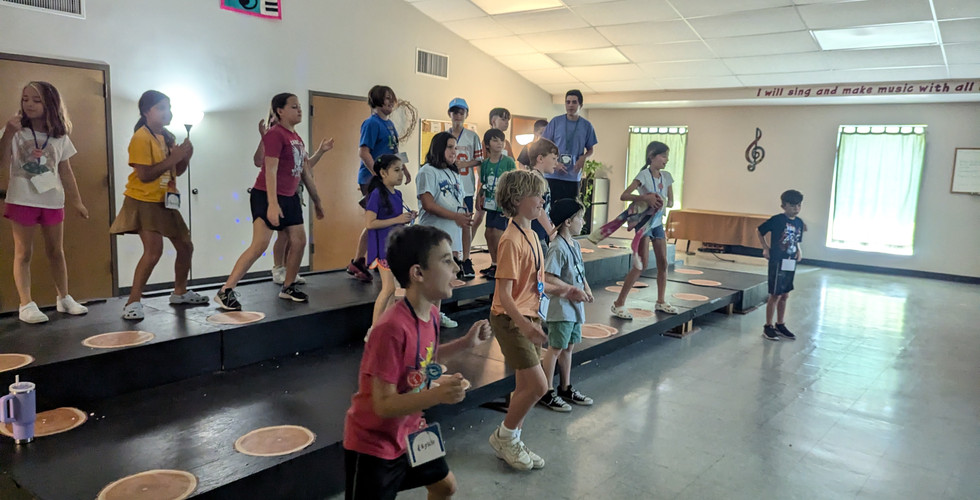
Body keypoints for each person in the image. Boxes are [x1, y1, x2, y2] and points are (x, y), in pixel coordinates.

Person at [342, 225, 492, 500]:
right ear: (418, 273)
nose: (457, 269)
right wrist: (436, 395)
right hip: (375, 445)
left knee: (445, 486)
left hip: (412, 431)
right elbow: (383, 404)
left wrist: (465, 344)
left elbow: (424, 360)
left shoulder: (431, 315)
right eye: (447, 261)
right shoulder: (390, 328)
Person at [487, 169, 588, 471]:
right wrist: (525, 325)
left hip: (529, 316)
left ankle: (513, 437)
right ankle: (504, 436)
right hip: (511, 319)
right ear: (518, 200)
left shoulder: (532, 234)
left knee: (526, 387)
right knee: (540, 386)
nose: (544, 200)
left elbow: (538, 282)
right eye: (538, 195)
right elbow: (504, 295)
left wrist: (567, 289)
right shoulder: (510, 241)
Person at [110, 90, 206, 320]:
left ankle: (180, 292)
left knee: (186, 246)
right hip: (143, 200)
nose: (167, 112)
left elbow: (176, 172)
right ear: (146, 112)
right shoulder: (141, 138)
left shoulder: (168, 137)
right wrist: (173, 159)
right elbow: (144, 175)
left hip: (166, 200)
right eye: (161, 108)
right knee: (153, 252)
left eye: (168, 107)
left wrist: (185, 158)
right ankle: (133, 302)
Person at [0, 81, 89, 323]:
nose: (29, 104)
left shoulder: (59, 136)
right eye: (25, 99)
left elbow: (66, 171)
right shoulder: (15, 131)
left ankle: (64, 297)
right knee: (23, 253)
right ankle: (26, 304)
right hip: (22, 199)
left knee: (56, 251)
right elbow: (2, 160)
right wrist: (8, 132)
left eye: (36, 100)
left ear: (50, 104)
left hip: (52, 200)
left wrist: (77, 202)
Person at [214, 93, 311, 310]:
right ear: (280, 111)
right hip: (266, 194)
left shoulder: (296, 137)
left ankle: (288, 286)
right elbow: (269, 170)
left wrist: (317, 200)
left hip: (290, 196)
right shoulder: (275, 135)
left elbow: (303, 171)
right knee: (259, 245)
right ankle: (225, 290)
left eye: (300, 106)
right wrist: (273, 203)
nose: (299, 110)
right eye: (294, 106)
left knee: (299, 240)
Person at [254, 117, 332, 285]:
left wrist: (320, 151)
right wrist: (263, 137)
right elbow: (259, 161)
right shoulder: (275, 136)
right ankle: (278, 269)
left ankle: (289, 272)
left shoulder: (295, 140)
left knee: (294, 238)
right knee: (281, 235)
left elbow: (305, 166)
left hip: (294, 193)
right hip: (277, 193)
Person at [611, 141, 678, 319]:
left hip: (657, 222)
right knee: (642, 263)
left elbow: (670, 201)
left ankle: (661, 300)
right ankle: (619, 303)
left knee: (663, 262)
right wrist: (645, 198)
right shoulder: (643, 175)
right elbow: (624, 195)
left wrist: (663, 202)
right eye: (663, 156)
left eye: (667, 156)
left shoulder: (667, 176)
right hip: (644, 222)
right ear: (652, 156)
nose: (666, 160)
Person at [538, 199, 595, 412]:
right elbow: (548, 278)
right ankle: (546, 391)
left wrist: (586, 289)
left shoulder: (576, 244)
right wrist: (571, 291)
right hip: (561, 308)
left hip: (574, 307)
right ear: (568, 222)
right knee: (555, 348)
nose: (583, 221)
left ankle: (565, 387)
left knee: (568, 347)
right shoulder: (557, 247)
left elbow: (580, 272)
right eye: (580, 217)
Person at [348, 85, 402, 283]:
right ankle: (368, 260)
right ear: (377, 100)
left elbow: (393, 151)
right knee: (376, 221)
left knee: (381, 220)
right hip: (371, 179)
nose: (389, 102)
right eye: (386, 98)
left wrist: (402, 169)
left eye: (391, 98)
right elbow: (364, 152)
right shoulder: (371, 123)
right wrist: (378, 175)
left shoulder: (390, 125)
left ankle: (361, 260)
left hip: (386, 178)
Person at [415, 131, 470, 328]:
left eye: (455, 147)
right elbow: (428, 204)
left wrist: (464, 215)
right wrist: (455, 216)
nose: (454, 151)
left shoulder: (454, 173)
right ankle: (423, 318)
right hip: (431, 234)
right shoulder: (427, 171)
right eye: (449, 147)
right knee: (429, 280)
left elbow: (459, 200)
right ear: (439, 148)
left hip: (449, 235)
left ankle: (435, 315)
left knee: (441, 281)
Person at [365, 154, 416, 328]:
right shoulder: (377, 194)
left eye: (401, 169)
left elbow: (396, 219)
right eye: (396, 170)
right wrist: (397, 219)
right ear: (383, 173)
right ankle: (374, 329)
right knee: (388, 289)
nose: (401, 174)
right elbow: (370, 223)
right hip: (382, 248)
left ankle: (385, 326)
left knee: (392, 290)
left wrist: (406, 218)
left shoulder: (397, 194)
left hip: (393, 247)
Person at [758, 189, 805, 341]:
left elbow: (797, 239)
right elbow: (760, 230)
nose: (796, 209)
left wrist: (799, 250)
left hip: (790, 261)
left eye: (798, 205)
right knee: (775, 294)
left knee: (785, 294)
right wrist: (765, 247)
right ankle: (768, 325)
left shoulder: (799, 222)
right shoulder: (777, 220)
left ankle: (780, 323)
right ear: (783, 206)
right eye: (792, 206)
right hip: (777, 260)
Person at [446, 98, 482, 280]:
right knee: (450, 222)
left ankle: (466, 258)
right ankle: (453, 258)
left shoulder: (472, 136)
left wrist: (464, 164)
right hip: (449, 187)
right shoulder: (444, 136)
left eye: (461, 112)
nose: (458, 116)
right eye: (455, 112)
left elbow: (479, 160)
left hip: (466, 187)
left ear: (466, 115)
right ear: (449, 114)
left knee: (466, 223)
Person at [541, 89, 597, 203]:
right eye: (568, 102)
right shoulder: (556, 122)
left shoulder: (587, 126)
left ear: (580, 105)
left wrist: (584, 158)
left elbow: (590, 149)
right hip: (553, 175)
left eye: (574, 102)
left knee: (569, 212)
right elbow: (543, 145)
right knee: (549, 209)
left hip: (573, 176)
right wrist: (554, 163)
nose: (570, 105)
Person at [473, 128, 515, 279]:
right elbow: (483, 183)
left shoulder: (508, 162)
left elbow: (513, 183)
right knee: (488, 232)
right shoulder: (485, 164)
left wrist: (510, 204)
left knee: (498, 233)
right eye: (495, 140)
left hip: (502, 205)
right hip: (490, 204)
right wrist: (479, 198)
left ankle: (502, 266)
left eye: (502, 140)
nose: (499, 143)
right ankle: (494, 263)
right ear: (487, 144)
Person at [469, 107, 512, 251]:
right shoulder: (484, 143)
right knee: (479, 218)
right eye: (503, 119)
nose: (506, 123)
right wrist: (479, 193)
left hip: (501, 192)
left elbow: (512, 164)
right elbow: (482, 169)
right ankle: (466, 250)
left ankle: (497, 260)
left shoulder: (508, 145)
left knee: (497, 228)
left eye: (508, 120)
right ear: (494, 120)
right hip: (487, 190)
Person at [526, 139, 558, 248]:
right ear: (540, 158)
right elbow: (539, 208)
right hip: (536, 234)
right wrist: (551, 231)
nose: (556, 163)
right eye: (553, 158)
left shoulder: (540, 178)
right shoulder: (535, 178)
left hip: (540, 234)